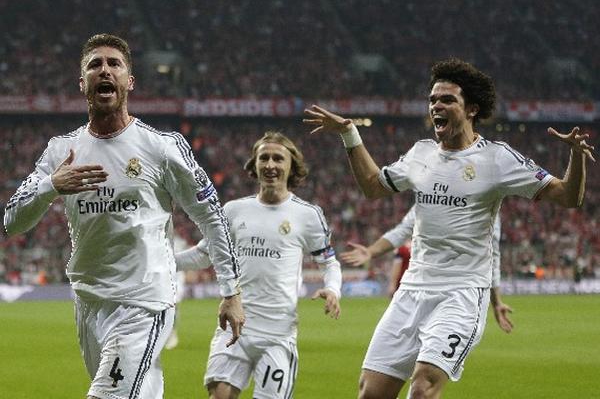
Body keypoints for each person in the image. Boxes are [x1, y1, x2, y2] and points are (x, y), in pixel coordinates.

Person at [303, 58, 593, 399]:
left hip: (461, 293)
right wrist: (349, 134)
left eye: (447, 100)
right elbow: (372, 185)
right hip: (411, 291)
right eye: (432, 100)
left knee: (423, 386)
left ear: (471, 109)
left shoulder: (498, 158)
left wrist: (575, 157)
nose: (436, 106)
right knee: (370, 393)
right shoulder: (420, 153)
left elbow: (568, 197)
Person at [3, 33, 244, 399]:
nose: (105, 71)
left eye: (114, 64)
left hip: (143, 301)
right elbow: (11, 221)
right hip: (88, 300)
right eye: (94, 65)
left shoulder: (161, 147)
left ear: (129, 81)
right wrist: (51, 185)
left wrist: (231, 291)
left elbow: (211, 217)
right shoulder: (61, 151)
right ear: (82, 83)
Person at [175, 131, 342, 399]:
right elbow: (204, 254)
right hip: (235, 326)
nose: (270, 165)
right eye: (264, 158)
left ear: (291, 166)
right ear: (254, 164)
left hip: (278, 334)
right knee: (219, 395)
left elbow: (329, 262)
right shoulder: (233, 211)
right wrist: (161, 263)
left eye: (278, 158)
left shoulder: (308, 215)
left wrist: (333, 289)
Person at [341, 206, 513, 333]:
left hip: (461, 293)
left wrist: (496, 302)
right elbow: (402, 230)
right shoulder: (432, 188)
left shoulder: (488, 200)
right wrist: (371, 251)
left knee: (427, 371)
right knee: (373, 379)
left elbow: (492, 254)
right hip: (420, 289)